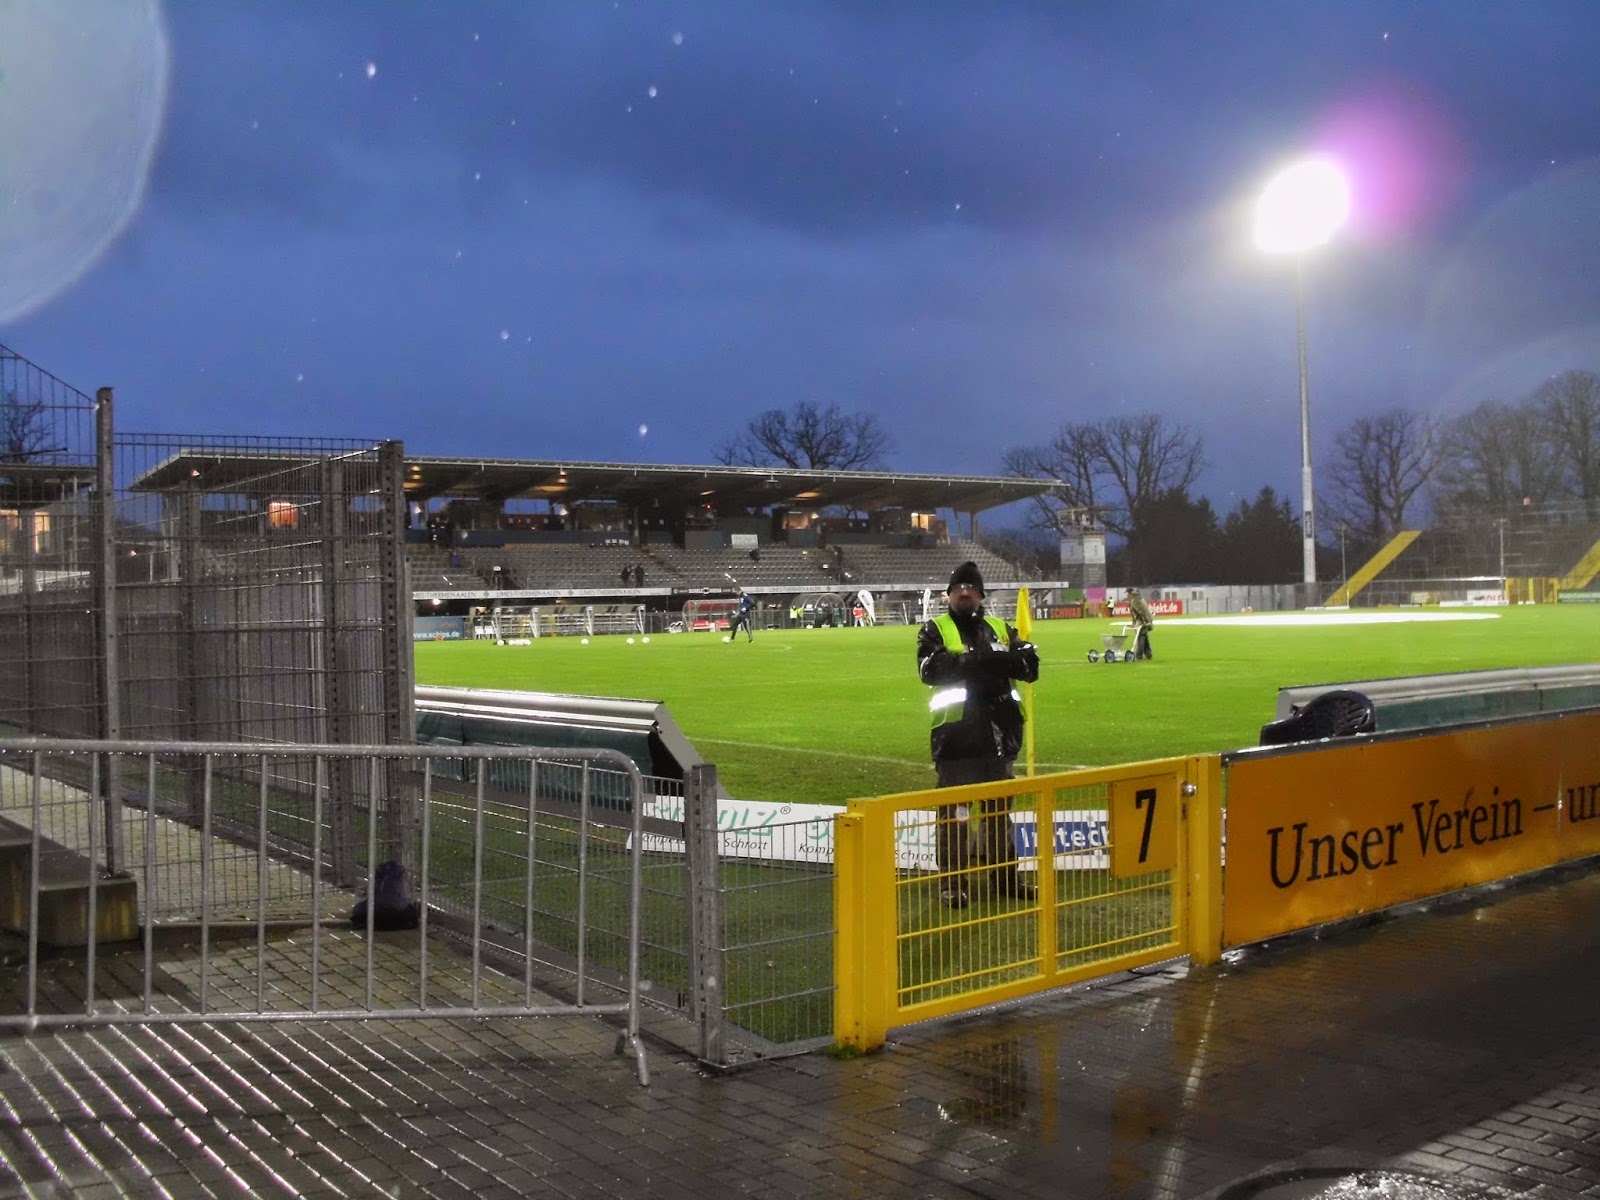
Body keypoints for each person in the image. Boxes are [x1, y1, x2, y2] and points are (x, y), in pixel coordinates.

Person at [917, 561, 1041, 908]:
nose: (965, 593)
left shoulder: (1001, 628)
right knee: (955, 818)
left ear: (981, 594)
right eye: (958, 589)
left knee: (999, 815)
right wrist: (988, 661)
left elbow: (1030, 665)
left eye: (971, 588)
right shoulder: (935, 629)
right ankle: (953, 884)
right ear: (948, 595)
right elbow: (931, 669)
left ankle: (1005, 878)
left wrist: (982, 661)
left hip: (1000, 736)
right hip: (956, 740)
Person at [1128, 587, 1154, 660]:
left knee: (1140, 636)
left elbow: (1140, 612)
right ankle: (1148, 654)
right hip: (1146, 619)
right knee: (1144, 636)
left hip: (1142, 620)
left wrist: (1144, 621)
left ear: (1130, 594)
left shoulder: (1135, 601)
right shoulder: (1140, 599)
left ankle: (1139, 655)